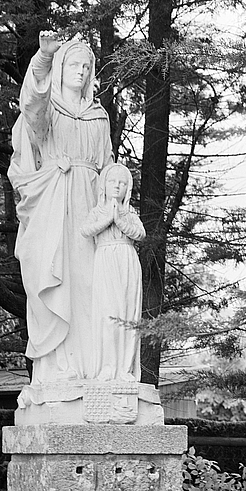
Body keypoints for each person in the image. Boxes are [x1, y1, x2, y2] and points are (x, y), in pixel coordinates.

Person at [8, 31, 113, 383]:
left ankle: (91, 367)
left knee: (89, 284)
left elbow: (108, 163)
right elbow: (32, 105)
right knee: (58, 278)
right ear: (61, 67)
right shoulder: (48, 110)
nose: (81, 71)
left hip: (91, 207)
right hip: (54, 202)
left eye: (87, 66)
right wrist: (42, 57)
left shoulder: (99, 116)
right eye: (73, 64)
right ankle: (58, 367)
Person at [82, 162, 146, 381]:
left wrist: (119, 218)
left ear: (127, 188)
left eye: (122, 182)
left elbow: (140, 234)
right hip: (105, 261)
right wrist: (109, 217)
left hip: (127, 261)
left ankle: (124, 369)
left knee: (128, 315)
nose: (117, 186)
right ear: (104, 185)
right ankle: (107, 367)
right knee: (107, 314)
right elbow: (86, 230)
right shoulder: (97, 212)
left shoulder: (129, 214)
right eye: (112, 181)